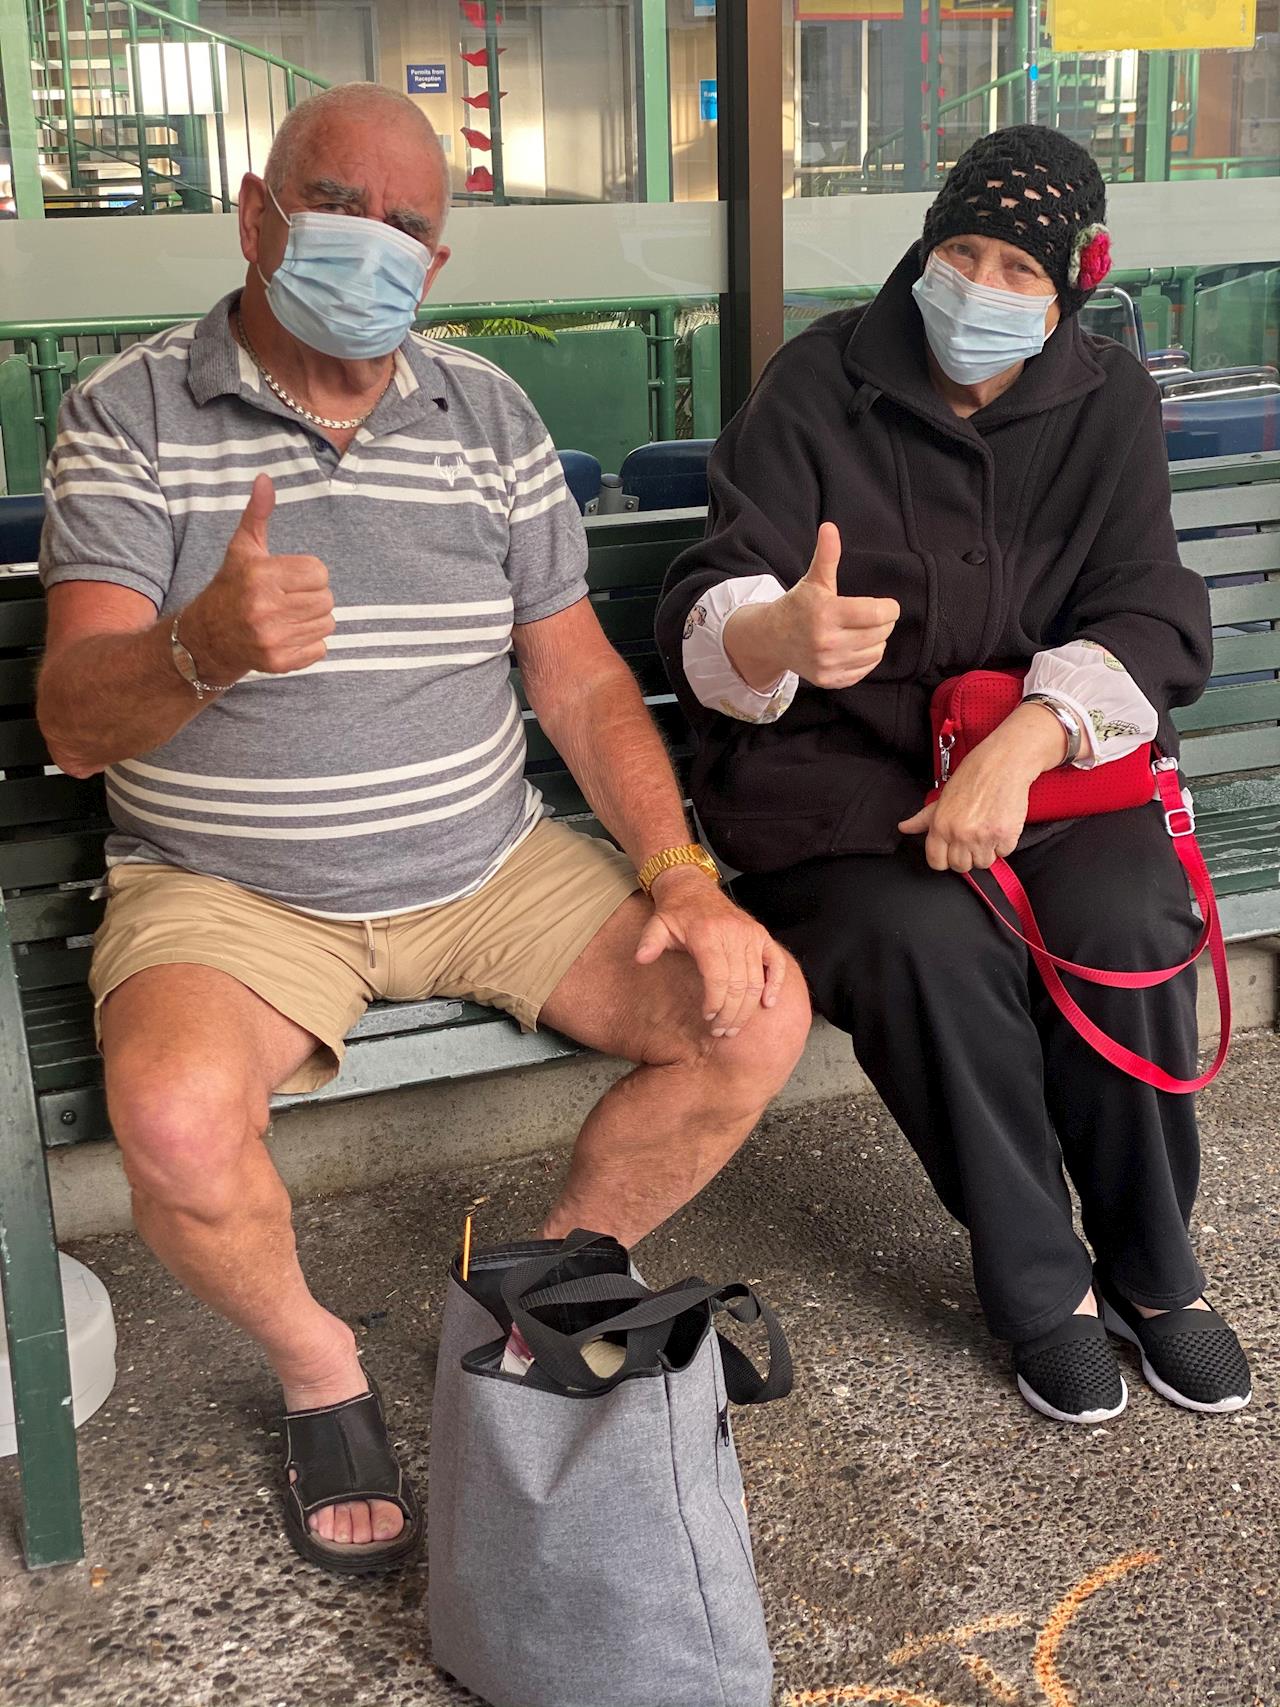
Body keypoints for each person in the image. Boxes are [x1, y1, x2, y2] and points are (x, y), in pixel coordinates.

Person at [36, 82, 810, 1572]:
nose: (370, 244)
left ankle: (550, 1285)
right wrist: (201, 647)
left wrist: (682, 878)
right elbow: (73, 721)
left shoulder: (489, 413)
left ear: (438, 263)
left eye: (406, 225)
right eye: (336, 206)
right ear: (256, 218)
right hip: (230, 892)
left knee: (756, 1012)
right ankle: (320, 1365)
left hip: (488, 865)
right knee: (177, 1126)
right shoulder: (129, 413)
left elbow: (578, 678)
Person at [657, 125, 1251, 1426]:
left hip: (1045, 774)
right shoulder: (816, 383)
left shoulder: (1108, 400)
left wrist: (1023, 745)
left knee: (1126, 917)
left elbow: (1148, 603)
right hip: (840, 792)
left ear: (1071, 285)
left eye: (1018, 269)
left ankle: (1154, 1271)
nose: (979, 287)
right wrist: (777, 635)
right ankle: (1044, 1288)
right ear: (925, 248)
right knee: (929, 947)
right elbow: (712, 595)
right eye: (961, 252)